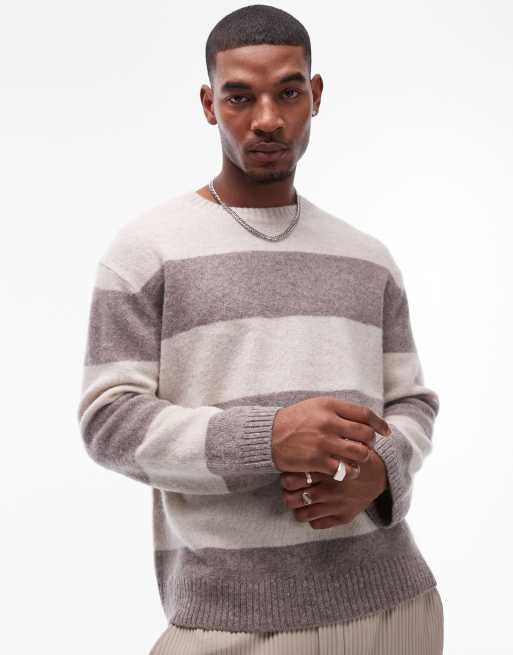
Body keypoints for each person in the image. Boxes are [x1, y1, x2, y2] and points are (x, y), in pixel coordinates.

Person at [77, 4, 444, 654]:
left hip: (396, 609)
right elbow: (109, 421)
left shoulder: (368, 258)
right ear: (208, 104)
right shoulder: (146, 251)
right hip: (230, 620)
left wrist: (382, 472)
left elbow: (411, 402)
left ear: (316, 95)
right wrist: (268, 439)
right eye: (240, 97)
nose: (267, 119)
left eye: (288, 93)